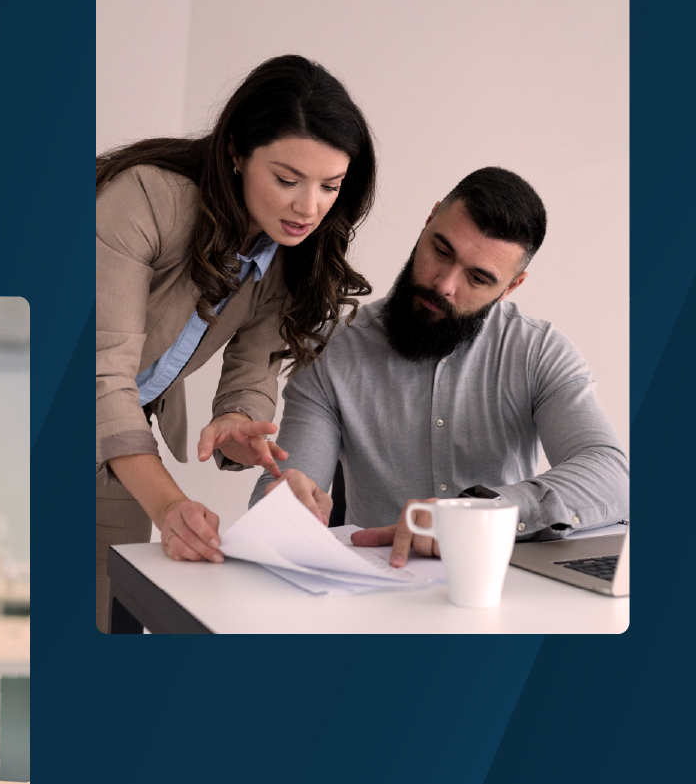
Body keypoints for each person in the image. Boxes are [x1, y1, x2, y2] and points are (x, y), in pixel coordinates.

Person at [96, 55, 376, 631]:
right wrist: (172, 506)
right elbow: (99, 375)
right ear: (235, 153)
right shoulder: (146, 197)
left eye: (330, 186)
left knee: (112, 618)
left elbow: (253, 372)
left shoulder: (290, 256)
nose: (309, 207)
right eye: (287, 179)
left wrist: (239, 422)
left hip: (118, 448)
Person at [250, 167, 629, 566]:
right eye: (442, 251)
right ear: (428, 222)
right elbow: (284, 490)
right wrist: (286, 506)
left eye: (478, 277)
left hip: (504, 593)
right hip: (379, 596)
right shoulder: (331, 350)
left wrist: (479, 515)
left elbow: (612, 477)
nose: (445, 284)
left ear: (509, 288)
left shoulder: (538, 350)